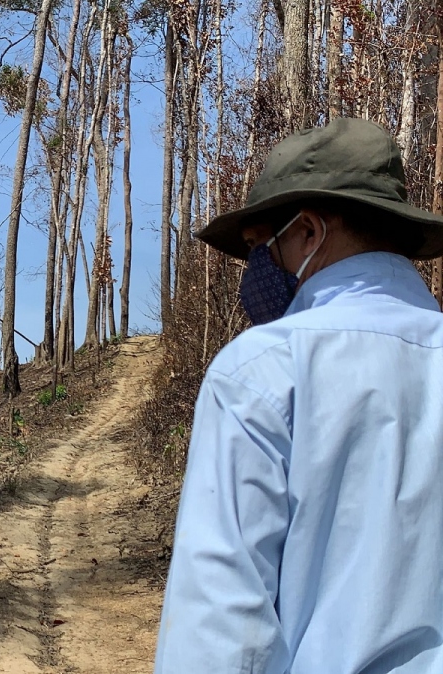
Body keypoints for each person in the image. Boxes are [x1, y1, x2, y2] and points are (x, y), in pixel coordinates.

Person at [154, 117, 443, 673]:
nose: (257, 268)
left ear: (308, 231)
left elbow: (221, 626)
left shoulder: (263, 371)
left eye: (262, 245)